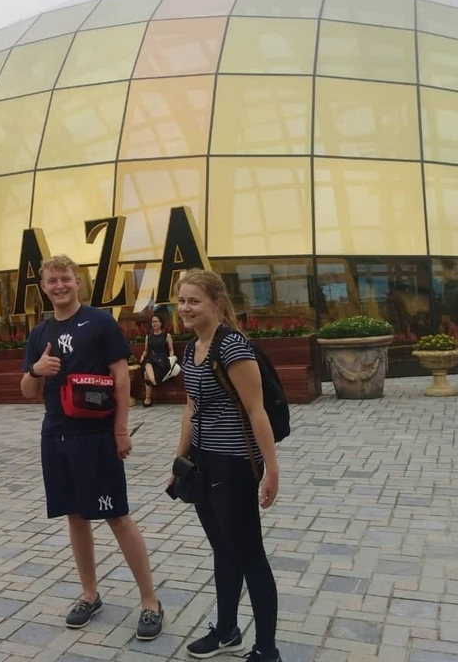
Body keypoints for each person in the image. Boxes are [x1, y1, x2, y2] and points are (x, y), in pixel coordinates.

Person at [20, 254, 163, 641]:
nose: (60, 286)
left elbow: (121, 377)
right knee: (75, 516)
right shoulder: (39, 333)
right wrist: (36, 371)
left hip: (97, 435)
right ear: (44, 287)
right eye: (52, 281)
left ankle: (150, 600)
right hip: (56, 435)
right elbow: (27, 390)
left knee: (116, 515)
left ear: (77, 282)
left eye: (65, 278)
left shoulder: (100, 322)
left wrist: (121, 430)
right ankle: (89, 594)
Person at [172, 269, 282, 662]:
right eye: (181, 300)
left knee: (250, 553)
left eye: (193, 301)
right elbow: (191, 407)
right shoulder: (192, 348)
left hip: (235, 464)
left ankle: (267, 649)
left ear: (216, 304)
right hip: (204, 462)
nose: (185, 308)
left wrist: (271, 471)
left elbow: (257, 412)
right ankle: (227, 630)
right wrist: (180, 460)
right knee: (223, 549)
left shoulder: (232, 347)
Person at [139, 312, 175, 407]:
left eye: (156, 321)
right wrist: (142, 356)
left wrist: (171, 361)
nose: (154, 324)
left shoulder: (166, 336)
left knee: (146, 373)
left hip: (161, 361)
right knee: (147, 364)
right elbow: (146, 350)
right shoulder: (149, 336)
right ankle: (153, 383)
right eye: (152, 322)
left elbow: (171, 350)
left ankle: (148, 398)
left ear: (161, 323)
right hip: (151, 358)